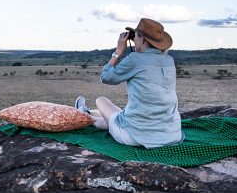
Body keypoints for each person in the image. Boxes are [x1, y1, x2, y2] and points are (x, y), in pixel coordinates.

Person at [75, 18, 184, 148]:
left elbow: (106, 77)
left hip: (136, 136)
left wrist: (118, 51)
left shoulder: (135, 59)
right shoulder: (169, 60)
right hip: (171, 135)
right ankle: (87, 114)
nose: (134, 41)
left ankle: (82, 113)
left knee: (101, 100)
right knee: (119, 115)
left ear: (142, 40)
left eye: (135, 37)